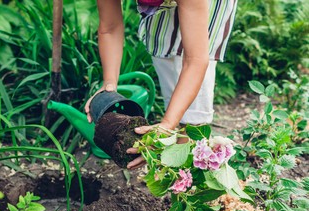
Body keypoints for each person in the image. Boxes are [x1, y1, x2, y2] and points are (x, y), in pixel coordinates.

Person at [85, 0, 238, 169]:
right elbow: (110, 28)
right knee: (165, 47)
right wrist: (110, 84)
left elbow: (196, 60)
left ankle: (190, 166)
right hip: (165, 12)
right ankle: (175, 159)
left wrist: (167, 124)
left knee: (195, 108)